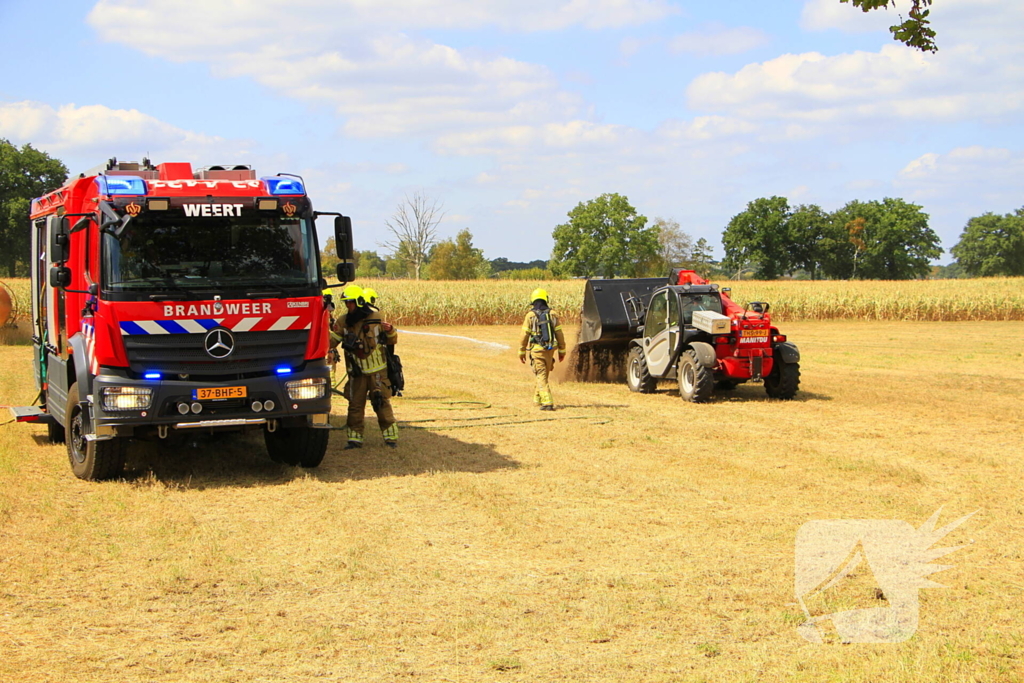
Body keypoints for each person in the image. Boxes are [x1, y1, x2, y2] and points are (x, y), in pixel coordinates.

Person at [333, 284, 400, 449]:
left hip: (377, 371)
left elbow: (391, 340)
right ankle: (354, 439)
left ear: (360, 302)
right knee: (355, 405)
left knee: (381, 403)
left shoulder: (376, 317)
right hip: (357, 372)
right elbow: (332, 340)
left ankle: (391, 438)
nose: (348, 305)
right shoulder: (343, 321)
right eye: (346, 302)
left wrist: (390, 330)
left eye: (350, 302)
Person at [518, 288, 566, 410]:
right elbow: (559, 333)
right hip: (550, 350)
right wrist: (562, 351)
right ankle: (537, 400)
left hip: (537, 350)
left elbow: (524, 335)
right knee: (542, 375)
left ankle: (547, 403)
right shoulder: (553, 314)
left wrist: (521, 351)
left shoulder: (530, 316)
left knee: (541, 375)